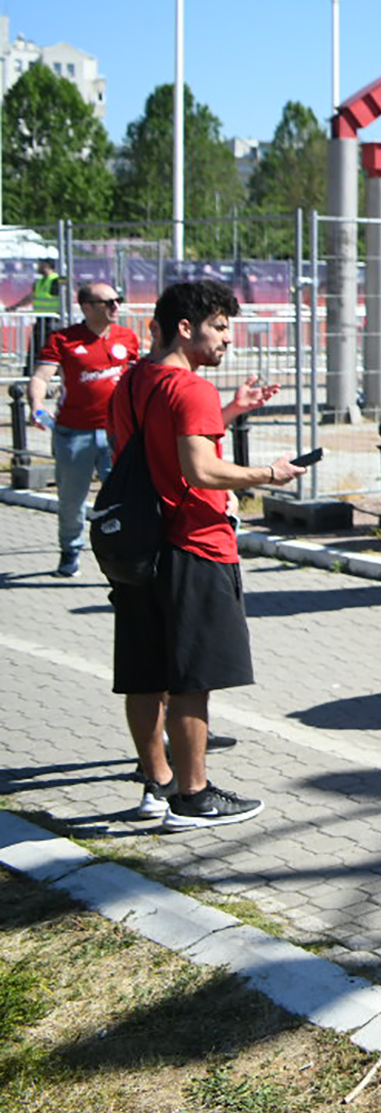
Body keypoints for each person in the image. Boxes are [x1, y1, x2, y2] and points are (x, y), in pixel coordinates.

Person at [109, 280, 299, 829]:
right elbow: (199, 469)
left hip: (139, 547)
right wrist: (269, 474)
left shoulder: (131, 383)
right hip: (192, 543)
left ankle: (157, 783)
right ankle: (194, 796)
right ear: (185, 327)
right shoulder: (188, 387)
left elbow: (153, 449)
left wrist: (231, 408)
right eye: (219, 327)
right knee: (192, 677)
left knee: (144, 673)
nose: (227, 341)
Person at [30, 282, 140, 577]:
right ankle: (70, 551)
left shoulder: (127, 338)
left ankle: (127, 555)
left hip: (117, 433)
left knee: (124, 496)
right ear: (87, 307)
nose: (117, 307)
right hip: (73, 433)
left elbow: (138, 378)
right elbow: (41, 377)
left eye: (119, 300)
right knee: (71, 498)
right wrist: (37, 405)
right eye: (109, 302)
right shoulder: (62, 339)